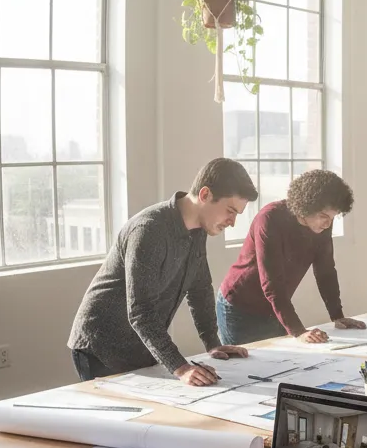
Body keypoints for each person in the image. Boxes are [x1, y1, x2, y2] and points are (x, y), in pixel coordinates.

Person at [69, 157, 257, 386]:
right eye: (230, 210)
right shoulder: (149, 230)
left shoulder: (197, 231)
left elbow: (199, 288)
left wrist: (212, 342)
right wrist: (181, 367)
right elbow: (140, 311)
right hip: (101, 348)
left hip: (139, 346)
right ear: (205, 195)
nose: (233, 222)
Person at [218, 170, 366, 345]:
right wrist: (299, 331)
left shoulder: (323, 224)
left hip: (275, 307)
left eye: (332, 218)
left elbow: (325, 270)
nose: (327, 223)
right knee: (244, 366)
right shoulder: (270, 218)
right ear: (306, 207)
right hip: (239, 306)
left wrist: (337, 316)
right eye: (323, 217)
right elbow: (272, 284)